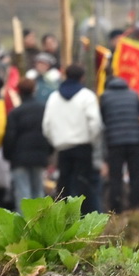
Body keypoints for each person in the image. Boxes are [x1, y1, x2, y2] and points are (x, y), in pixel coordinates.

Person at [41, 64, 103, 214]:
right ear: (82, 78)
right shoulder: (87, 96)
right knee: (84, 186)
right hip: (83, 146)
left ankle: (65, 220)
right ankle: (87, 220)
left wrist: (56, 141)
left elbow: (46, 125)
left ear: (65, 76)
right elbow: (95, 123)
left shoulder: (54, 97)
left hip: (62, 148)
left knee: (64, 187)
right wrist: (93, 141)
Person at [3, 78, 52, 211]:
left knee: (22, 192)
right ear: (34, 90)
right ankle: (40, 222)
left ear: (18, 92)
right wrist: (48, 152)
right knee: (38, 191)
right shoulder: (44, 109)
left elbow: (9, 137)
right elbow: (50, 131)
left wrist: (8, 155)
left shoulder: (15, 113)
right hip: (40, 155)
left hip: (19, 157)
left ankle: (25, 225)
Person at [100, 75, 139, 213]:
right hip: (134, 140)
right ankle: (135, 207)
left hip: (114, 142)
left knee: (115, 178)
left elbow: (102, 119)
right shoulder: (133, 95)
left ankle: (115, 209)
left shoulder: (104, 97)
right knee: (135, 176)